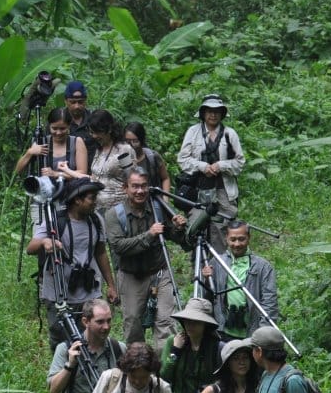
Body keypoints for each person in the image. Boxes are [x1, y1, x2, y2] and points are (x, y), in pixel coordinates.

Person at [27, 178, 118, 350]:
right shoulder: (55, 221)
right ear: (77, 200)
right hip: (59, 291)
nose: (95, 202)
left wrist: (111, 285)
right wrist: (45, 242)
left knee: (93, 336)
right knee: (61, 338)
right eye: (91, 198)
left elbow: (101, 253)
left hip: (89, 289)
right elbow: (30, 248)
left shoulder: (96, 220)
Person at [104, 167, 188, 352]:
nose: (140, 191)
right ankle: (139, 364)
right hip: (131, 275)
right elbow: (119, 247)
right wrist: (149, 235)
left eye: (144, 186)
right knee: (133, 323)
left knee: (166, 322)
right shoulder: (114, 215)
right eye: (135, 186)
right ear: (125, 188)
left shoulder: (158, 208)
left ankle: (165, 364)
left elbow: (175, 237)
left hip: (160, 272)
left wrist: (178, 228)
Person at [177, 94, 246, 250]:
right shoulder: (193, 132)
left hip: (224, 191)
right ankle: (199, 262)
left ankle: (221, 261)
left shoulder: (230, 134)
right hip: (197, 189)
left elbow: (239, 162)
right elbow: (182, 159)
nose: (213, 115)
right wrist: (202, 166)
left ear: (222, 114)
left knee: (223, 227)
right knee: (196, 227)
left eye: (217, 111)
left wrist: (221, 165)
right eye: (209, 111)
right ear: (203, 113)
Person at [201, 219, 279, 339]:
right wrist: (206, 280)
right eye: (233, 239)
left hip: (252, 333)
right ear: (226, 238)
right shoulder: (217, 262)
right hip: (221, 332)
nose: (237, 244)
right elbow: (206, 300)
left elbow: (270, 303)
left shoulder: (263, 266)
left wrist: (262, 334)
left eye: (241, 239)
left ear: (249, 238)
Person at [81, 109, 135, 212]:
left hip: (119, 208)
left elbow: (132, 178)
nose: (94, 136)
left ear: (109, 129)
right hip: (97, 209)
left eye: (98, 132)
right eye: (92, 132)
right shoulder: (98, 150)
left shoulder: (123, 150)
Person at [14, 107, 89, 179]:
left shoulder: (77, 142)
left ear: (69, 126)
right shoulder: (42, 142)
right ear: (49, 126)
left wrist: (55, 174)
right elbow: (17, 172)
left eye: (62, 129)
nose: (58, 133)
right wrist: (29, 153)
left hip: (73, 186)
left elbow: (82, 174)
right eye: (54, 128)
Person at [125, 121, 171, 193]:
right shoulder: (123, 159)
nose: (131, 145)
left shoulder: (152, 157)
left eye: (135, 141)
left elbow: (165, 178)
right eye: (128, 141)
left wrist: (165, 196)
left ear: (142, 140)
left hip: (151, 197)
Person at [63, 80, 94, 162]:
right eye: (72, 102)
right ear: (65, 101)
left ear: (85, 100)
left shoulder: (93, 119)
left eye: (80, 102)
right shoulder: (58, 120)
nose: (77, 106)